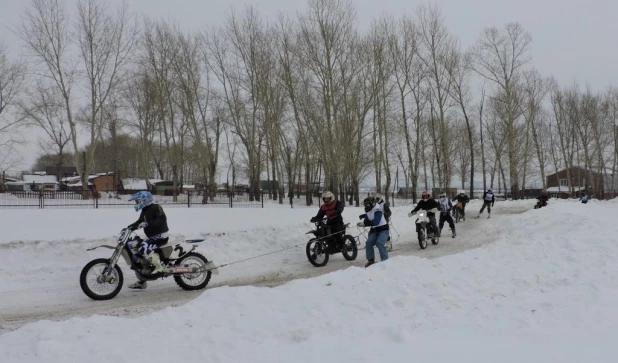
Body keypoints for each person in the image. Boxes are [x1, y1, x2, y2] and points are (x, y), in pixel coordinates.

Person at [126, 191, 169, 289]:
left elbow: (161, 221)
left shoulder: (156, 207)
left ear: (144, 200)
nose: (136, 203)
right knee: (137, 251)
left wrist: (148, 223)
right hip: (152, 237)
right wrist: (129, 227)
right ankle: (142, 280)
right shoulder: (144, 210)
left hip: (160, 236)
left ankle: (159, 266)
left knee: (143, 248)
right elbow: (139, 222)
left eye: (138, 201)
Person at [358, 196, 389, 268]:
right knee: (368, 242)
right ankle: (371, 260)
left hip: (383, 230)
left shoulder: (378, 210)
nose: (366, 206)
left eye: (367, 204)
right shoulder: (368, 211)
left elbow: (376, 222)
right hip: (374, 231)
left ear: (372, 203)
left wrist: (365, 224)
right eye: (365, 205)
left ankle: (385, 260)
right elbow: (366, 221)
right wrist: (363, 223)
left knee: (379, 242)